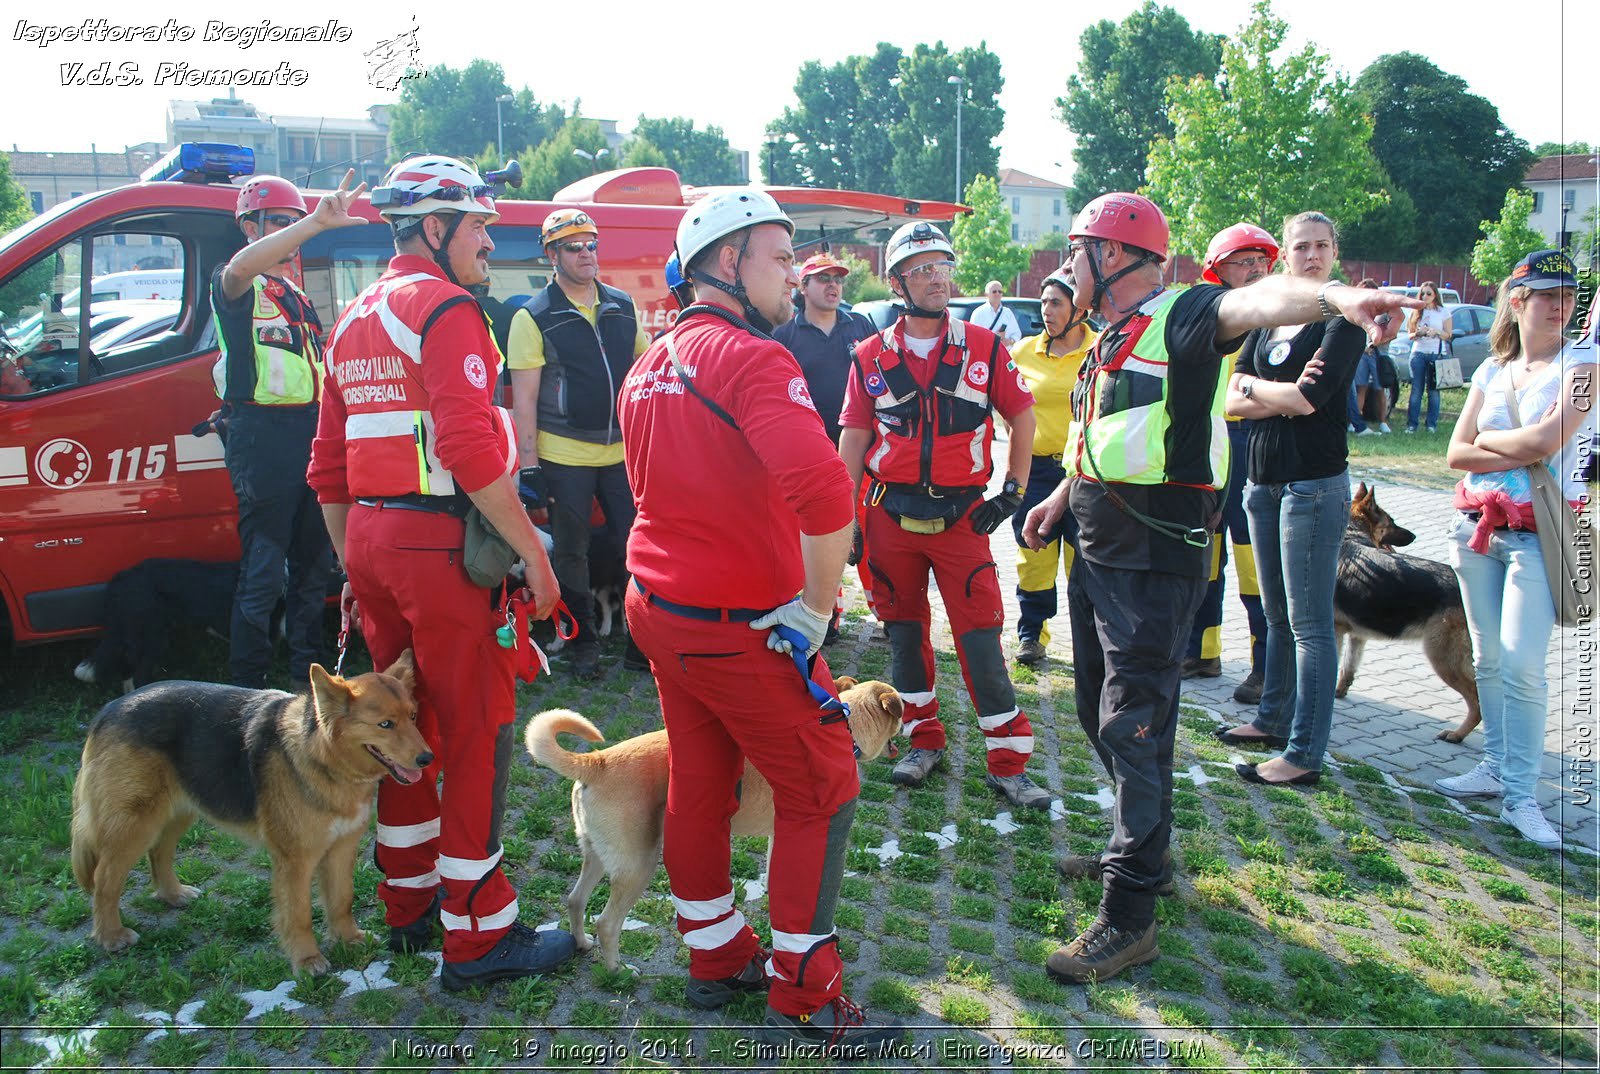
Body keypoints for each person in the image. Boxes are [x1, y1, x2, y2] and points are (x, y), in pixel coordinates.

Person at [1023, 192, 1414, 983]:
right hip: (1097, 543)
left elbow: (1260, 299)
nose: (1067, 268)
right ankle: (1148, 855)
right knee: (1103, 711)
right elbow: (1106, 427)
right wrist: (1062, 494)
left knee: (1133, 725)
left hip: (1154, 551)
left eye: (1078, 250)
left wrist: (1337, 296)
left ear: (1117, 256)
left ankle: (1129, 913)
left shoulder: (1187, 313)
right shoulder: (1111, 335)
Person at [619, 189, 900, 1055]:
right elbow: (826, 498)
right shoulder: (755, 358)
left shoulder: (651, 360)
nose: (794, 272)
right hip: (740, 626)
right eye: (779, 255)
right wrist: (817, 611)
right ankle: (806, 998)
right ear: (727, 262)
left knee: (702, 782)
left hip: (662, 609)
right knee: (822, 785)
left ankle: (713, 957)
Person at [307, 155, 577, 991]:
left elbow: (327, 468)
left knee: (405, 730)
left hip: (374, 545)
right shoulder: (449, 308)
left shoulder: (351, 314)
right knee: (474, 736)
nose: (490, 241)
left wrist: (355, 562)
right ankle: (480, 935)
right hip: (438, 554)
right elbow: (465, 449)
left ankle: (409, 904)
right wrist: (533, 550)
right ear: (434, 230)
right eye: (478, 226)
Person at [839, 222, 1050, 811]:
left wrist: (1014, 488)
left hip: (964, 520)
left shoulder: (984, 347)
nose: (938, 277)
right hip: (887, 517)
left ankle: (1009, 762)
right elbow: (854, 437)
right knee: (904, 635)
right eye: (924, 267)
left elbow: (1023, 416)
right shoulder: (870, 355)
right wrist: (845, 515)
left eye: (943, 266)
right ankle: (921, 740)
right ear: (898, 280)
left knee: (981, 638)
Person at [1432, 250, 1590, 850]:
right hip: (1477, 530)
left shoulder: (1583, 365)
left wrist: (1492, 440)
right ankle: (1496, 767)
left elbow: (1549, 440)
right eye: (1548, 295)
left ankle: (1522, 797)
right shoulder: (1493, 371)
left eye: (1569, 297)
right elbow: (1455, 453)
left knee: (1523, 664)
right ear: (1517, 302)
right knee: (1490, 659)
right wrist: (1513, 444)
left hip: (1541, 533)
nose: (1560, 306)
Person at [1214, 212, 1369, 789]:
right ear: (1286, 256)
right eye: (1300, 247)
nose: (1311, 256)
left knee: (1310, 625)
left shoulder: (1343, 320)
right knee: (1275, 616)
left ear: (1334, 253)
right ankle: (1271, 719)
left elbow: (1311, 399)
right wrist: (1268, 392)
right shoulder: (1269, 318)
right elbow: (1231, 397)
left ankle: (1304, 752)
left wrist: (1260, 391)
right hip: (1261, 484)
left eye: (1321, 246)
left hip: (1312, 485)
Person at [212, 172, 360, 688]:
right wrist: (316, 222)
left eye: (294, 224)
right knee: (262, 574)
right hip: (261, 437)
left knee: (313, 570)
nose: (290, 234)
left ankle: (306, 682)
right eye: (278, 222)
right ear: (248, 225)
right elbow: (239, 268)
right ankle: (247, 689)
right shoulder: (236, 280)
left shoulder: (294, 292)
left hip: (310, 432)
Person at [507, 208, 652, 679]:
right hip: (563, 453)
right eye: (574, 246)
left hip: (621, 453)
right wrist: (529, 467)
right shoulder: (534, 316)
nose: (587, 252)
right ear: (552, 255)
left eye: (592, 243)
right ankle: (582, 642)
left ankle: (641, 641)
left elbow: (646, 370)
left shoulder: (621, 305)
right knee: (571, 553)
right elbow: (524, 400)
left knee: (639, 547)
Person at [1178, 223, 1275, 701]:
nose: (1256, 270)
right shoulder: (1206, 318)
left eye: (1262, 262)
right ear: (1217, 272)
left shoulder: (1278, 321)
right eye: (1244, 262)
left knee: (1253, 561)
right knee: (1205, 557)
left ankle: (1266, 664)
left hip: (1254, 447)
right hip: (1211, 448)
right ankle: (1202, 650)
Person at [1010, 268, 1097, 666]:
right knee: (1034, 556)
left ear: (1079, 308)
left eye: (1056, 302)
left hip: (1085, 472)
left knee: (1085, 560)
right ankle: (1032, 636)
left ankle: (1090, 642)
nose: (1047, 310)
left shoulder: (1101, 349)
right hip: (1037, 471)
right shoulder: (1023, 352)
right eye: (1043, 301)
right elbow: (1003, 403)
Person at [773, 253, 875, 450]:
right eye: (823, 278)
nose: (833, 284)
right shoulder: (784, 335)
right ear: (803, 287)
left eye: (837, 279)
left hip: (860, 443)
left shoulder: (861, 325)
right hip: (809, 446)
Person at [1404, 280, 1453, 434]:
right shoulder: (1416, 311)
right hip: (1418, 353)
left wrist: (1436, 332)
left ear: (1435, 295)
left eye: (1428, 294)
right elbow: (1410, 334)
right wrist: (1419, 333)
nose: (1425, 296)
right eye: (1422, 293)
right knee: (1416, 390)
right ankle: (1412, 424)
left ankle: (1431, 424)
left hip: (1436, 354)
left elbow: (1448, 334)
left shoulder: (1443, 312)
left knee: (1433, 391)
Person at [1347, 278, 1390, 436]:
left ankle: (1383, 422)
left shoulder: (1381, 311)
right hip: (1360, 354)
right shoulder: (1353, 310)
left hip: (1377, 353)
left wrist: (1375, 343)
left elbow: (1390, 333)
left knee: (1380, 389)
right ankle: (1356, 421)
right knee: (1360, 388)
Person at [975, 280, 1022, 347]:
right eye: (994, 291)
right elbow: (974, 338)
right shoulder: (978, 313)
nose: (997, 294)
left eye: (1000, 292)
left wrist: (1009, 341)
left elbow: (1017, 334)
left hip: (1005, 355)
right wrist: (993, 338)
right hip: (986, 355)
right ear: (986, 294)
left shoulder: (1007, 313)